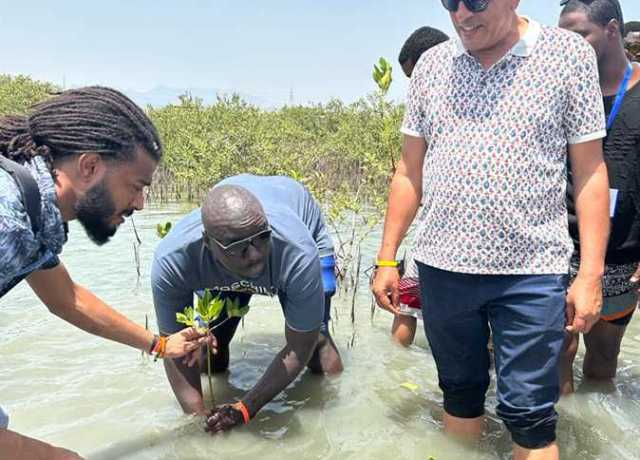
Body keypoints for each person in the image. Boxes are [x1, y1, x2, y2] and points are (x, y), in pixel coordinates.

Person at [371, 1, 609, 459]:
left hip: (531, 271)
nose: (462, 14)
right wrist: (387, 258)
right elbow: (408, 172)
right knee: (458, 394)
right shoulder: (432, 67)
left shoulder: (567, 56)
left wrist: (590, 274)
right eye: (449, 2)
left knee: (530, 415)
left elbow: (591, 172)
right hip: (443, 268)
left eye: (476, 1)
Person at [0, 87, 208, 460]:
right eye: (136, 186)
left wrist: (161, 345)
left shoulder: (29, 207)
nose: (141, 204)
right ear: (90, 167)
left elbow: (68, 299)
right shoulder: (7, 220)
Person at [151, 174, 343, 434]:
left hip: (298, 228)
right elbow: (175, 347)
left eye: (261, 238)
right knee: (211, 351)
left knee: (317, 344)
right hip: (222, 263)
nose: (255, 255)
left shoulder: (296, 250)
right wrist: (199, 424)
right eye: (239, 247)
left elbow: (300, 346)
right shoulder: (174, 260)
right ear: (208, 243)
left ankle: (334, 413)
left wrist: (245, 408)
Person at [559, 0, 640, 394]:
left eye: (577, 36)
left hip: (622, 256)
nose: (565, 47)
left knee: (602, 367)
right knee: (554, 359)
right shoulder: (565, 93)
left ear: (611, 30)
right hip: (558, 249)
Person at [390, 27, 449, 347]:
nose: (416, 86)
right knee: (406, 306)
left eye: (416, 75)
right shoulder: (425, 108)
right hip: (429, 231)